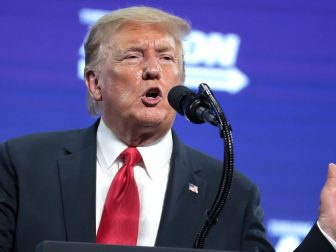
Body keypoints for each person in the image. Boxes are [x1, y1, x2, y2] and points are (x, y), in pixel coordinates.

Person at [0, 6, 335, 252]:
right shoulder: (22, 164)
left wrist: (327, 233)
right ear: (95, 83)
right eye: (133, 56)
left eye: (166, 58)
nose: (152, 70)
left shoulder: (231, 192)